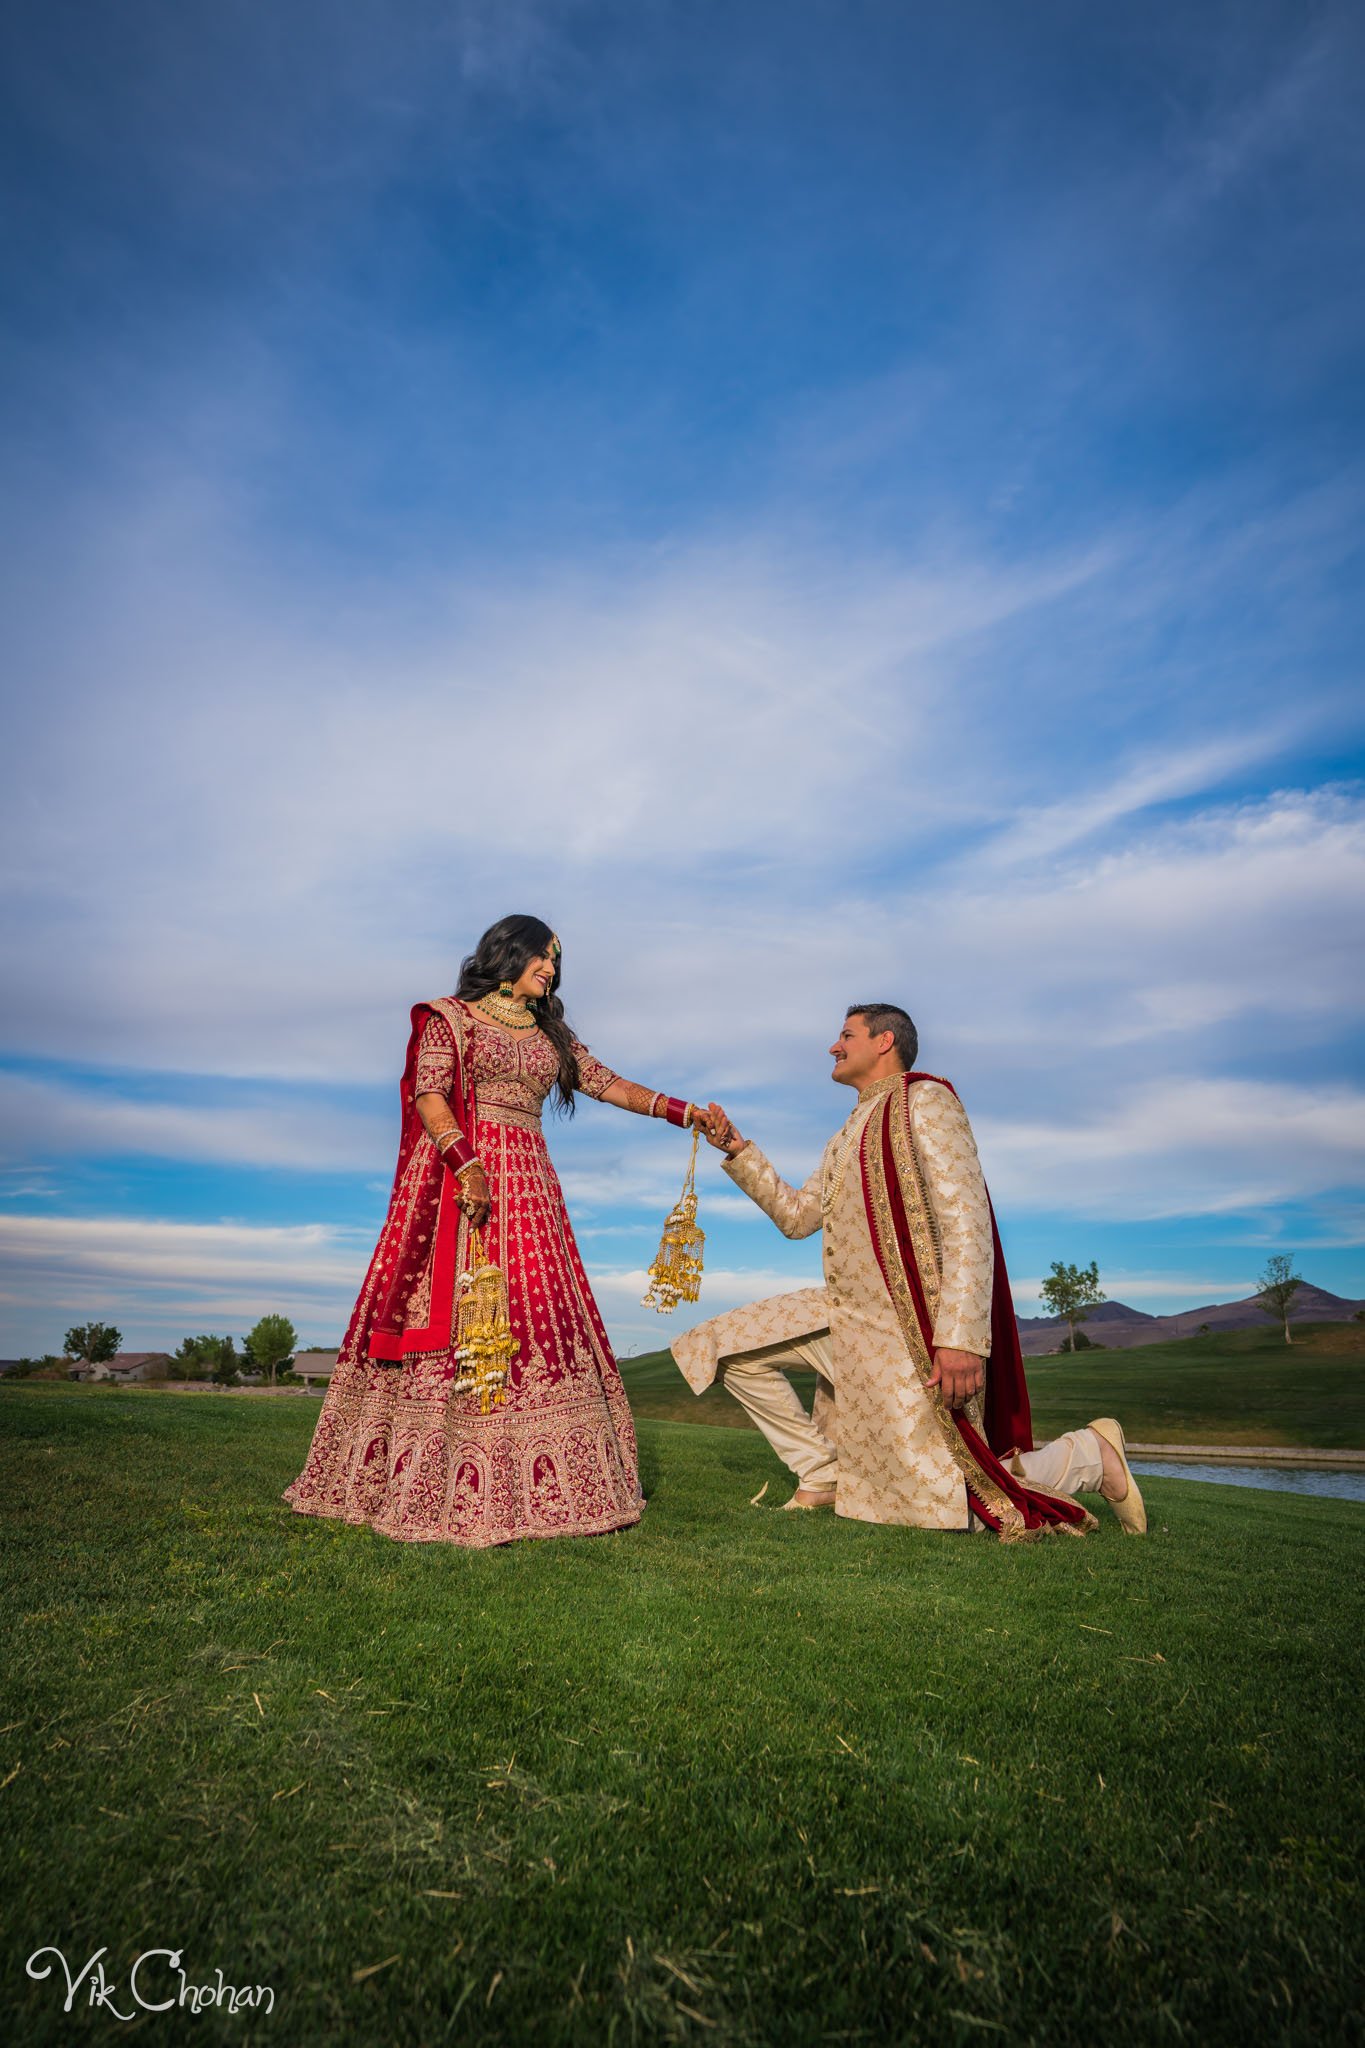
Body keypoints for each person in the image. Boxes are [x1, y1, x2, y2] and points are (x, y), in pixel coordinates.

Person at [285, 915, 703, 1549]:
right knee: (459, 1315)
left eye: (556, 963)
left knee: (537, 1311)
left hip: (531, 1189)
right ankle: (429, 1480)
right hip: (466, 1183)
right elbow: (430, 1097)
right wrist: (466, 1164)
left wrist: (685, 1113)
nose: (551, 971)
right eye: (543, 957)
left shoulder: (550, 1034)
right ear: (511, 953)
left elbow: (607, 1083)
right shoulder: (447, 1018)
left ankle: (548, 1484)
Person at [673, 1004, 1146, 1541]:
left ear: (884, 1041)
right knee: (717, 1345)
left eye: (845, 1035)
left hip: (907, 1334)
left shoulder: (928, 1101)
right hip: (841, 1315)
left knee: (942, 1497)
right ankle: (822, 1473)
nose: (833, 1046)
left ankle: (1090, 1455)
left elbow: (968, 1221)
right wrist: (737, 1149)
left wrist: (962, 1338)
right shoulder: (848, 1130)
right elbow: (798, 1216)